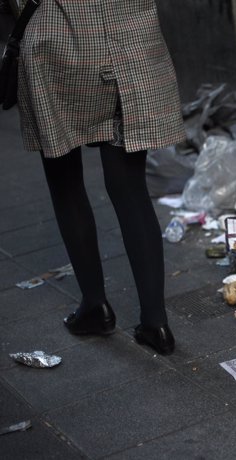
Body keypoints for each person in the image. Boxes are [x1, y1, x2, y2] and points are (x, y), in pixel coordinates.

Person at [16, 0, 185, 355]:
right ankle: (156, 323)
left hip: (57, 46)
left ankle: (95, 306)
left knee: (65, 182)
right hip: (133, 42)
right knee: (130, 187)